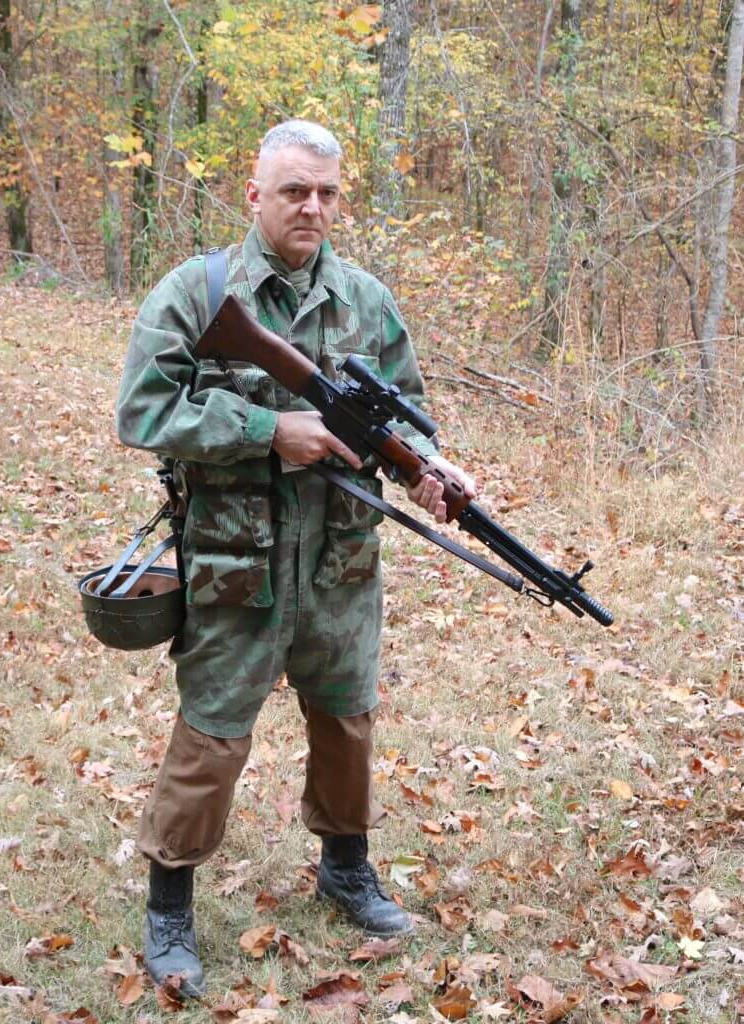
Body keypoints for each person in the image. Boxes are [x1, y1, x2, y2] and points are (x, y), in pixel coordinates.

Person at [116, 120, 476, 996]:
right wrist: (266, 428)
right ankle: (169, 904)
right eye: (293, 191)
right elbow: (142, 412)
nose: (311, 207)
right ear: (254, 195)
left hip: (340, 557)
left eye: (326, 193)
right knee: (212, 731)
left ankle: (345, 870)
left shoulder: (365, 300)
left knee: (346, 718)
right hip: (234, 556)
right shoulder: (197, 293)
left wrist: (429, 469)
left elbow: (404, 410)